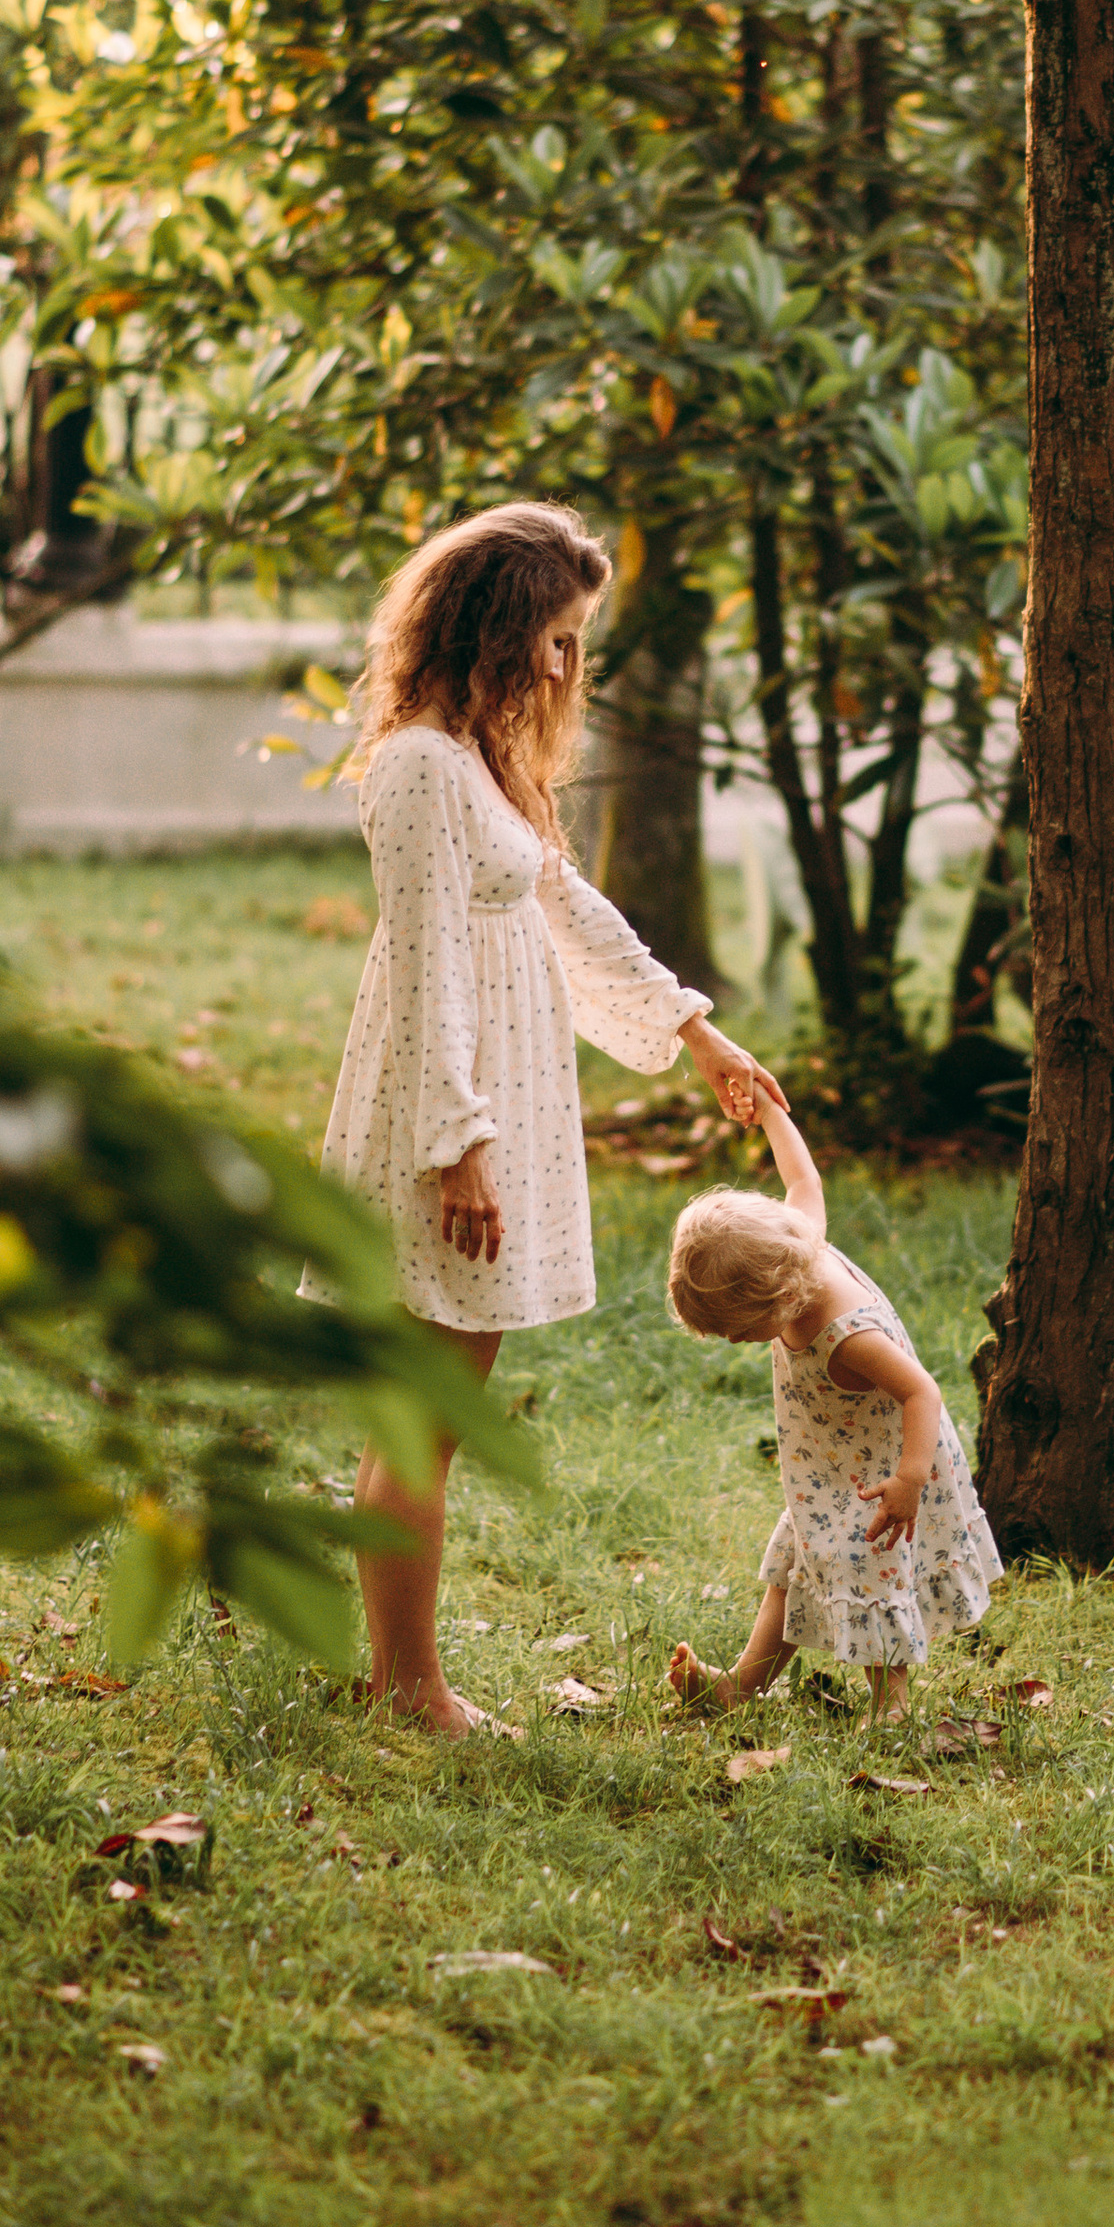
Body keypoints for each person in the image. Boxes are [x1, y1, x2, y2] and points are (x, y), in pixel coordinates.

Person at [317, 501, 781, 1732]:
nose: (567, 668)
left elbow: (564, 912)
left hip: (485, 1106)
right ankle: (410, 1690)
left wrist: (694, 1030)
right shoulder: (420, 767)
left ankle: (397, 1677)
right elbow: (426, 969)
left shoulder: (479, 759)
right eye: (556, 638)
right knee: (429, 1413)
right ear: (492, 630)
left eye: (579, 642)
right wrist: (456, 1151)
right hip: (445, 1116)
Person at [664, 1084, 1001, 1727]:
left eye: (739, 1332)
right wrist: (767, 1113)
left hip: (883, 1476)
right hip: (830, 1468)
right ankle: (741, 1686)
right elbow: (802, 1176)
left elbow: (920, 1390)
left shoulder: (847, 1338)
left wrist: (908, 1480)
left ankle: (891, 1706)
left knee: (868, 1570)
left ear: (778, 1300)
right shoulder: (796, 1247)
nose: (738, 1345)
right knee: (794, 1567)